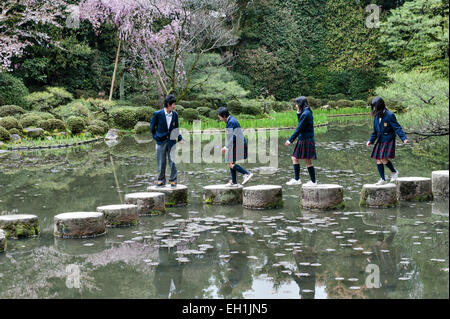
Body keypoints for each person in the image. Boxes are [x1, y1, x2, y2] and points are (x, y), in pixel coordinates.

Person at [366, 96, 408, 185]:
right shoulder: (376, 116)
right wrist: (370, 140)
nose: (374, 109)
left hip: (388, 139)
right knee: (378, 159)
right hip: (380, 140)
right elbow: (375, 131)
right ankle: (383, 179)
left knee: (383, 158)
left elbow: (397, 127)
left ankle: (394, 172)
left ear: (380, 106)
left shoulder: (390, 115)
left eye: (375, 107)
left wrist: (403, 138)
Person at [150, 94, 184, 187]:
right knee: (161, 161)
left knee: (172, 161)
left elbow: (176, 127)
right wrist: (155, 137)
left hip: (171, 141)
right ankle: (161, 180)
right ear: (168, 104)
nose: (174, 106)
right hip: (160, 141)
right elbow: (152, 127)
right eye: (173, 104)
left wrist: (180, 138)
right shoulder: (158, 114)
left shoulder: (175, 114)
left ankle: (173, 180)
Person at [284, 96, 317, 186]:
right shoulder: (306, 112)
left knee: (307, 160)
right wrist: (298, 112)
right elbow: (300, 124)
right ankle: (297, 179)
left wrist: (290, 140)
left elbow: (299, 128)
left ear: (300, 104)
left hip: (306, 139)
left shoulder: (306, 114)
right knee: (295, 157)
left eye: (296, 104)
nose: (295, 105)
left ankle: (313, 182)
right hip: (304, 139)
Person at [218, 107, 253, 187]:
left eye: (219, 116)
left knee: (230, 163)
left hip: (238, 144)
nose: (219, 118)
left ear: (224, 116)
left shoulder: (231, 122)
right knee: (231, 162)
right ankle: (234, 182)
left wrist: (226, 147)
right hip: (236, 144)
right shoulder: (230, 120)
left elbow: (234, 136)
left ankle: (247, 173)